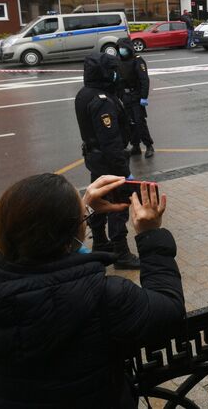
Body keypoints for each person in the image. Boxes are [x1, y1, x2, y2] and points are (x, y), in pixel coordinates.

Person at [0, 174, 185, 408]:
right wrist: (149, 234)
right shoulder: (105, 296)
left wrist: (85, 207)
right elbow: (169, 309)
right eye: (82, 219)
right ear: (68, 239)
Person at [75, 52, 140, 269]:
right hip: (109, 161)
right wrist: (124, 172)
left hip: (95, 158)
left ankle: (101, 243)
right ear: (104, 72)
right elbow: (111, 141)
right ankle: (121, 253)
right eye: (112, 70)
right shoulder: (101, 100)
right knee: (117, 206)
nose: (116, 74)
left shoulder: (85, 93)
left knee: (97, 198)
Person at [116, 37, 154, 159]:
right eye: (119, 48)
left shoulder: (138, 60)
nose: (121, 50)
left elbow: (144, 80)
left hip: (136, 96)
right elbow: (117, 80)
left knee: (139, 122)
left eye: (123, 47)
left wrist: (144, 97)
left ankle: (148, 145)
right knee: (129, 123)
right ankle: (136, 146)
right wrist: (119, 95)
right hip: (125, 96)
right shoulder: (118, 60)